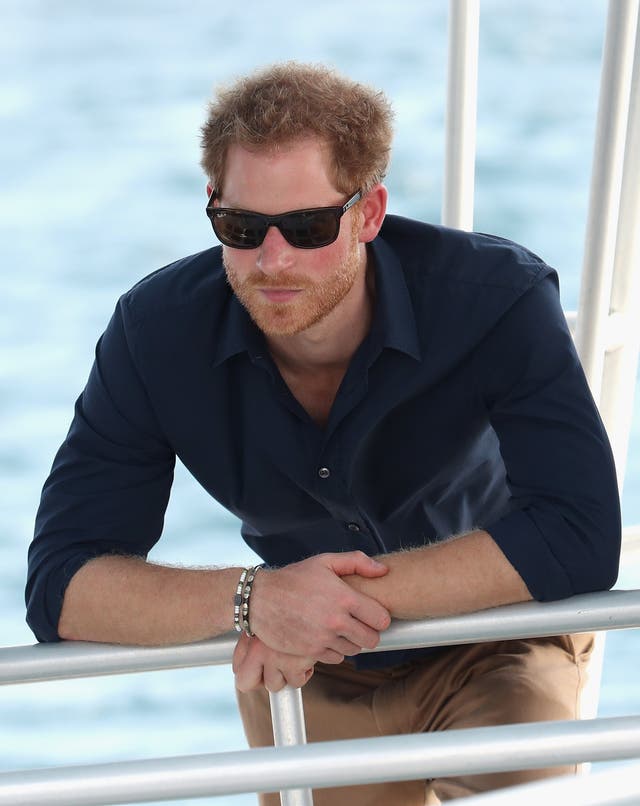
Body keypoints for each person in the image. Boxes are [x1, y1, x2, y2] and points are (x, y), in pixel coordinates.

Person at [27, 62, 621, 805]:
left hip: (495, 643)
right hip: (306, 672)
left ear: (368, 214)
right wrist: (254, 601)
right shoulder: (154, 335)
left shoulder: (497, 299)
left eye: (308, 229)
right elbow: (60, 589)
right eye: (242, 229)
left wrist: (309, 605)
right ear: (212, 207)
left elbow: (580, 532)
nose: (272, 261)